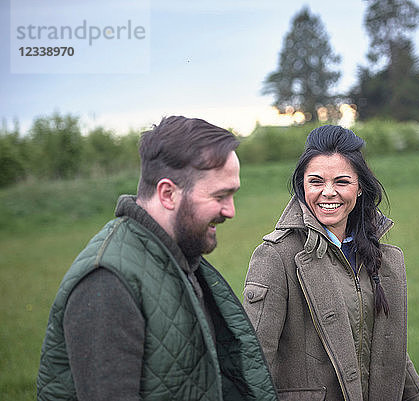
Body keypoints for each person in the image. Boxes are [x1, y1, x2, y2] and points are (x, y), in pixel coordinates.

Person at [37, 116, 278, 401]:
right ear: (167, 193)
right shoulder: (107, 282)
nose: (230, 211)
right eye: (220, 196)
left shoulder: (178, 258)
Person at [243, 125, 419, 401]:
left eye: (341, 182)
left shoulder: (378, 256)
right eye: (316, 182)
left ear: (360, 188)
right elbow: (251, 362)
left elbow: (392, 354)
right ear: (301, 186)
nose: (328, 192)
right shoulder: (276, 256)